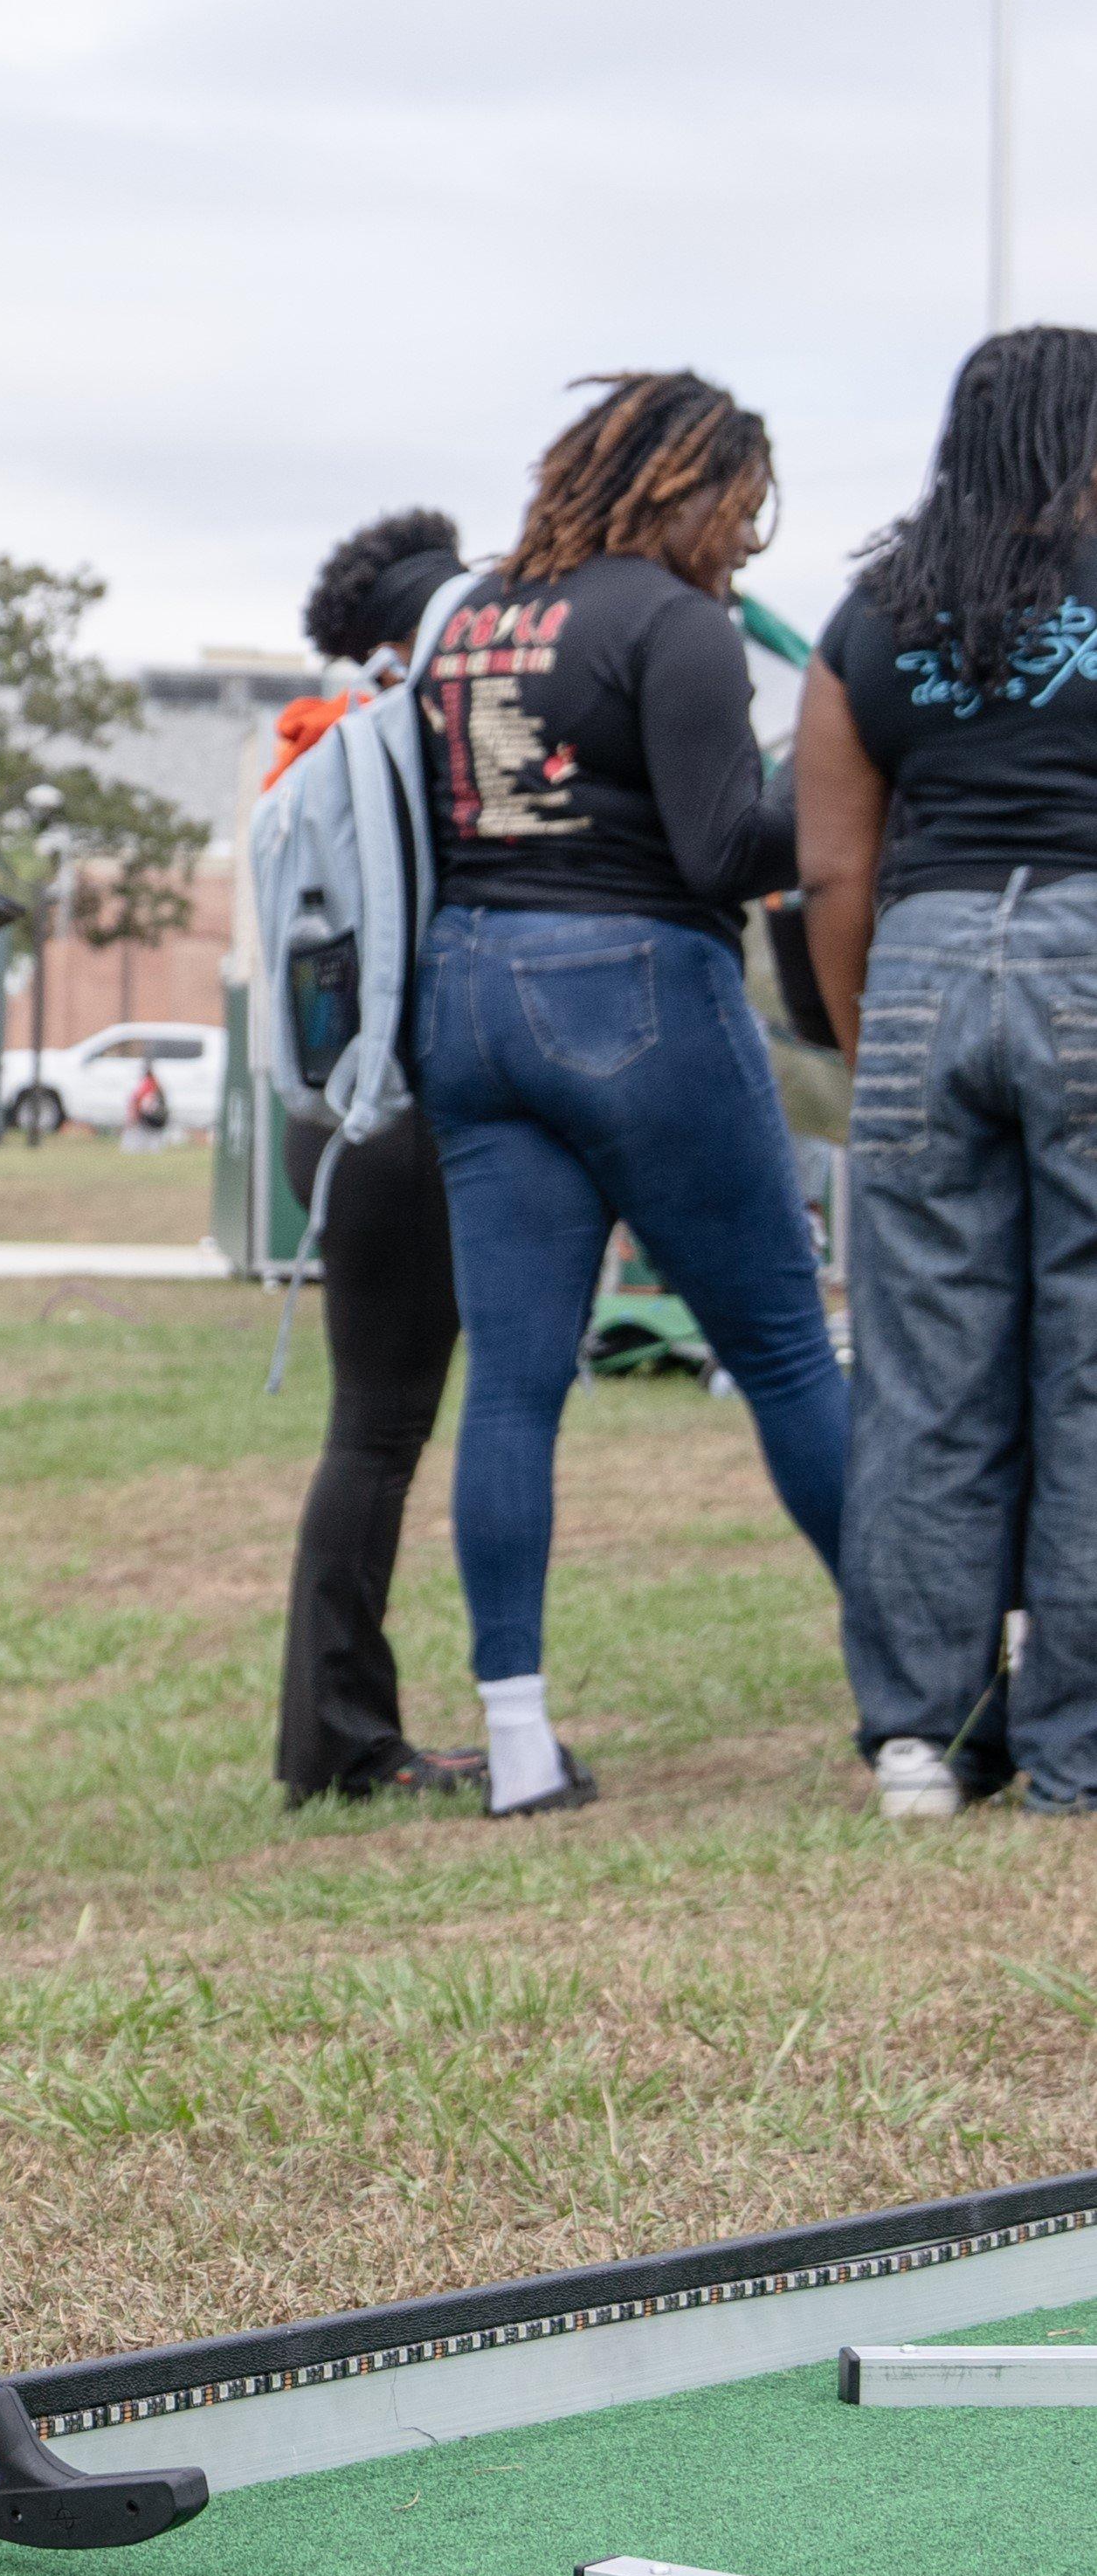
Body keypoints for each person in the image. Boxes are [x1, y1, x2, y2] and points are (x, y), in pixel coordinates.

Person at [411, 372, 844, 1822]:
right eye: (739, 507)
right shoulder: (674, 624)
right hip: (629, 983)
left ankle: (516, 1741)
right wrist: (845, 787)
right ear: (679, 484)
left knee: (515, 1378)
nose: (745, 541)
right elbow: (727, 846)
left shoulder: (468, 615)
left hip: (464, 990)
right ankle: (927, 1680)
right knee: (782, 1346)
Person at [797, 322, 1097, 1821]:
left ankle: (919, 1735)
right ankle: (1076, 1747)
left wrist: (872, 1050)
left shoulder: (871, 612)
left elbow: (829, 872)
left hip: (916, 965)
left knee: (921, 1368)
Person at [267, 508, 480, 1808]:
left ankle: (334, 1734)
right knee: (377, 1435)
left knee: (372, 1433)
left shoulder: (322, 748)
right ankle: (341, 1740)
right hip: (390, 1123)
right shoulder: (406, 751)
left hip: (332, 1122)